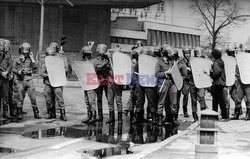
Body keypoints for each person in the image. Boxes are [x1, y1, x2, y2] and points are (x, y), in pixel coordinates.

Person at [12, 42, 41, 119]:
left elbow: (35, 68)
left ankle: (36, 113)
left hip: (29, 80)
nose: (25, 54)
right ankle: (19, 112)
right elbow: (13, 69)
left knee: (33, 98)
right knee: (20, 98)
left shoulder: (30, 59)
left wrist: (32, 58)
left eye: (27, 52)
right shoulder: (17, 59)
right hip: (20, 80)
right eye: (24, 52)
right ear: (21, 51)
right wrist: (19, 71)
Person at [42, 42, 67, 121]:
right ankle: (50, 113)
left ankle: (63, 114)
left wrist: (58, 72)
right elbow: (42, 72)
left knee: (59, 97)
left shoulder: (61, 58)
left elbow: (66, 69)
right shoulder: (47, 59)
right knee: (48, 97)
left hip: (57, 81)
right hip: (48, 82)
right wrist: (46, 75)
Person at [155, 44, 179, 126]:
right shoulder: (159, 62)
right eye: (169, 53)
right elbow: (157, 74)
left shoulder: (172, 61)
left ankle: (174, 118)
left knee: (174, 102)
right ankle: (160, 119)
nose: (170, 54)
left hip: (172, 83)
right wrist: (165, 73)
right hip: (163, 83)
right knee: (161, 102)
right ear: (165, 53)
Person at [135, 46, 158, 124]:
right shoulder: (139, 62)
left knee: (151, 101)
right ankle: (138, 118)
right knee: (140, 101)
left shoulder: (153, 61)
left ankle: (153, 117)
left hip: (149, 82)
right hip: (141, 82)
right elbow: (135, 72)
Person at [105, 47, 124, 125]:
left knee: (118, 100)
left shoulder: (122, 63)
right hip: (110, 81)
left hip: (118, 82)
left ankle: (120, 118)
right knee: (110, 100)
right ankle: (111, 117)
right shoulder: (109, 61)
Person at [80, 46, 98, 124]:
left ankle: (93, 117)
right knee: (87, 101)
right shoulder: (85, 62)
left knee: (91, 101)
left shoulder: (92, 62)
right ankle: (89, 116)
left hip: (91, 84)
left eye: (82, 54)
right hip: (86, 83)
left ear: (84, 54)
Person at [210, 49, 229, 121]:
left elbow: (217, 72)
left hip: (217, 83)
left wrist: (211, 74)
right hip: (222, 83)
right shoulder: (221, 61)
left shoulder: (216, 63)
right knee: (221, 100)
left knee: (215, 100)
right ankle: (224, 116)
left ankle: (215, 116)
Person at [94, 44, 110, 122]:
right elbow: (97, 68)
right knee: (99, 98)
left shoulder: (110, 59)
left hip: (107, 79)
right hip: (100, 79)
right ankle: (100, 116)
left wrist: (109, 58)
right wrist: (105, 63)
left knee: (109, 98)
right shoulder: (96, 59)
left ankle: (111, 116)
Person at [0, 39, 12, 119]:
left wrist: (7, 72)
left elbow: (10, 64)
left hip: (5, 79)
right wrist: (1, 73)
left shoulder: (8, 54)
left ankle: (5, 112)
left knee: (6, 96)